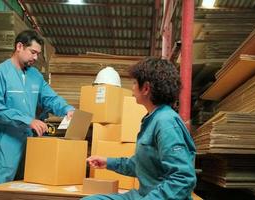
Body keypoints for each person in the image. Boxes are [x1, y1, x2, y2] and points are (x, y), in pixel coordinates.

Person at [84, 57, 196, 200]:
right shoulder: (153, 119)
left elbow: (183, 178)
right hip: (142, 194)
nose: (132, 87)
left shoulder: (166, 123)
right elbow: (141, 165)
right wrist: (108, 162)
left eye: (134, 82)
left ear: (146, 88)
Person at [0, 30, 74, 187]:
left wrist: (67, 109)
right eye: (33, 52)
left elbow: (50, 97)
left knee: (24, 186)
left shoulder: (36, 76)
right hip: (5, 143)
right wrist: (28, 120)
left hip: (29, 141)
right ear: (19, 46)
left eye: (38, 54)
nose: (36, 58)